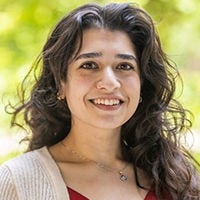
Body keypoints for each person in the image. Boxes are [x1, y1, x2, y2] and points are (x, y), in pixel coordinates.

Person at [0, 2, 199, 200]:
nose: (110, 83)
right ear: (60, 84)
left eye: (124, 66)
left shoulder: (177, 179)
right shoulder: (17, 182)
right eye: (89, 65)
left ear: (141, 85)